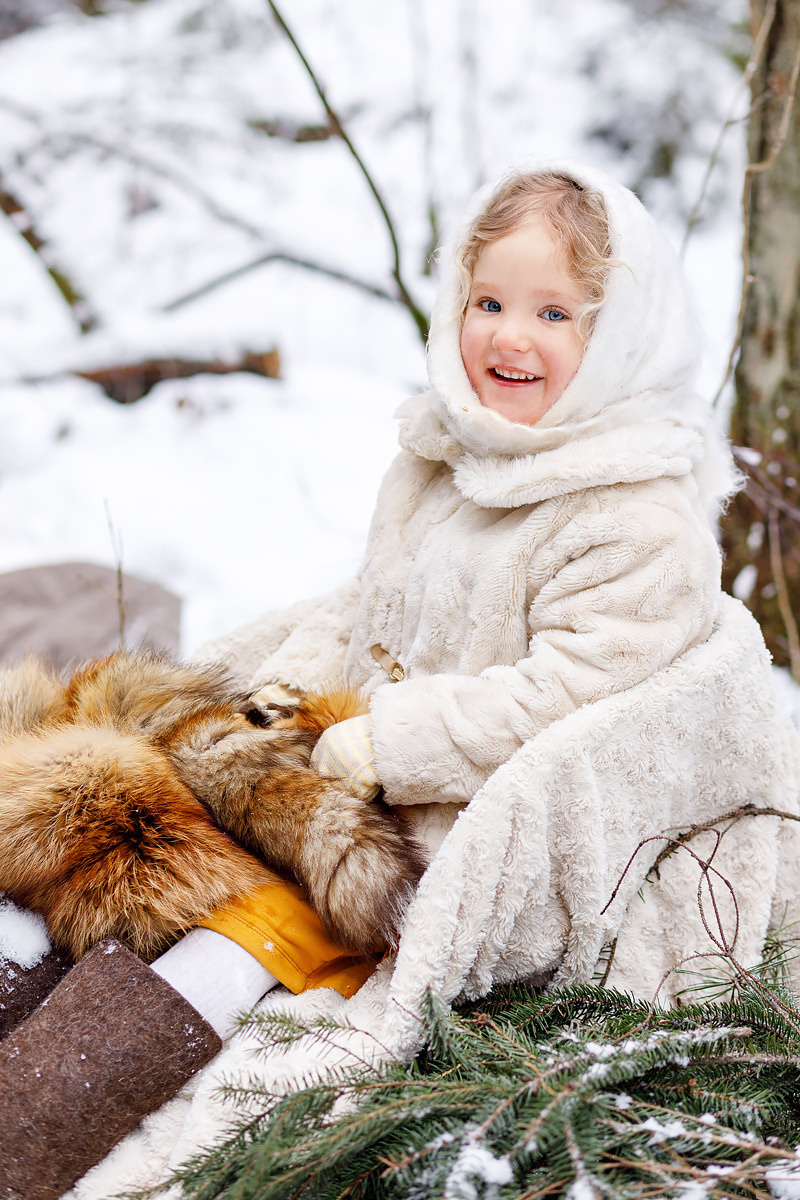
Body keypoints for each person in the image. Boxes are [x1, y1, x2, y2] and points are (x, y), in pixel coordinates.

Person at [1, 160, 796, 1199]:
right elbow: (364, 608)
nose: (509, 337)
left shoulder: (630, 515)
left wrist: (392, 742)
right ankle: (26, 978)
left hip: (456, 825)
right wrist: (274, 700)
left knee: (233, 940)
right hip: (341, 766)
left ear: (621, 336)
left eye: (554, 312)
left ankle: (31, 1131)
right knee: (105, 847)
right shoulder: (444, 455)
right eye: (487, 302)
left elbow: (573, 698)